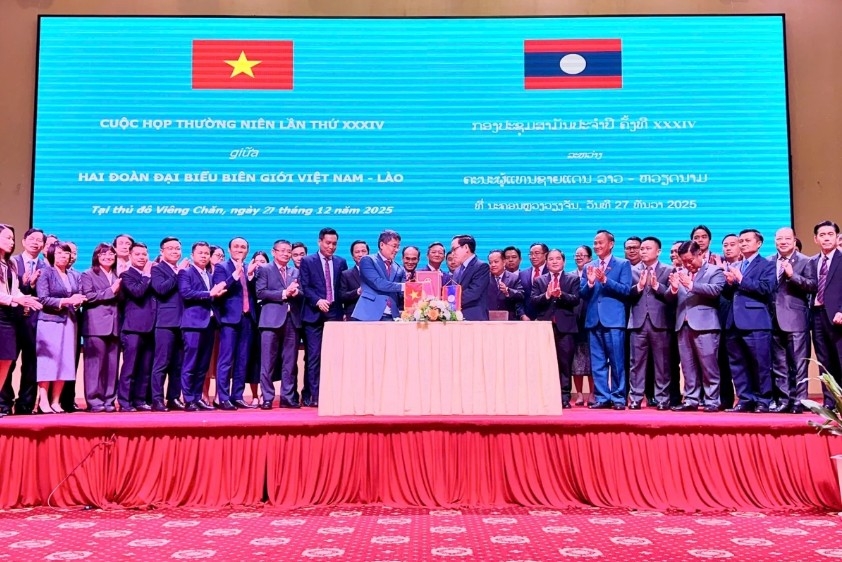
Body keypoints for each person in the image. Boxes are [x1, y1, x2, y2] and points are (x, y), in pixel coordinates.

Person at [666, 241, 726, 412]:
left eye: (690, 260)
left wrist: (691, 285)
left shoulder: (714, 271)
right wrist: (673, 289)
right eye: (684, 261)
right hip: (682, 325)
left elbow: (715, 290)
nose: (687, 264)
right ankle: (691, 399)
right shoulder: (680, 272)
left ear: (700, 254)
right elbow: (668, 298)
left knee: (709, 366)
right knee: (687, 366)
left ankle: (712, 400)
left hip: (705, 325)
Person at [722, 229, 776, 413]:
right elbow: (728, 294)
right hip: (733, 321)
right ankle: (745, 399)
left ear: (758, 243)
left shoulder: (767, 264)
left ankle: (763, 400)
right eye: (741, 241)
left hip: (756, 321)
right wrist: (729, 283)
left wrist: (741, 279)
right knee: (738, 364)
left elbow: (766, 288)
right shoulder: (736, 265)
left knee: (760, 363)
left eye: (747, 240)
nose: (743, 244)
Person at [580, 230, 632, 410]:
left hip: (614, 321)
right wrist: (590, 283)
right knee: (598, 363)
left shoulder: (623, 264)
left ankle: (618, 398)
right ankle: (602, 397)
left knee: (617, 361)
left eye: (600, 242)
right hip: (593, 320)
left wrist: (605, 280)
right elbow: (582, 294)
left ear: (611, 244)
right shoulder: (589, 266)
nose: (596, 246)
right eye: (595, 243)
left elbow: (626, 290)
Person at [298, 228, 348, 407]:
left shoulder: (341, 262)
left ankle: (332, 393)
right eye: (328, 243)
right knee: (314, 357)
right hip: (314, 315)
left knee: (334, 357)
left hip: (334, 314)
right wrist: (317, 300)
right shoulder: (307, 261)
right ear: (319, 242)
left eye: (334, 244)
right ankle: (313, 395)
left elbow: (342, 289)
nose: (331, 247)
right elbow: (305, 286)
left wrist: (343, 311)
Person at [768, 227, 815, 414]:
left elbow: (812, 285)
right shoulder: (768, 261)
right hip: (772, 319)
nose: (783, 242)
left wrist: (792, 276)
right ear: (775, 241)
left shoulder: (806, 261)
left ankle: (799, 401)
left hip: (796, 319)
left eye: (787, 238)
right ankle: (784, 400)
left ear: (794, 241)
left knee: (798, 363)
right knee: (779, 364)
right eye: (780, 239)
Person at [0, 227, 46, 416]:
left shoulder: (10, 264)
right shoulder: (12, 261)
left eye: (12, 238)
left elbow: (15, 290)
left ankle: (20, 404)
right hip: (4, 315)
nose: (11, 242)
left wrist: (26, 297)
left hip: (14, 318)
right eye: (7, 238)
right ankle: (3, 403)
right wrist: (16, 299)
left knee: (10, 360)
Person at [35, 241, 85, 414]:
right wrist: (66, 301)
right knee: (48, 361)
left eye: (66, 253)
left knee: (65, 360)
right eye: (59, 253)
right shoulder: (45, 273)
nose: (64, 256)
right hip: (49, 321)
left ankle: (56, 401)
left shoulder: (74, 275)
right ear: (51, 255)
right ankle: (43, 400)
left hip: (70, 320)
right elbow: (43, 298)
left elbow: (78, 295)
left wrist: (77, 302)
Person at [179, 242, 227, 412]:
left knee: (203, 365)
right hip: (192, 324)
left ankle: (198, 397)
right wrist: (209, 293)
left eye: (207, 253)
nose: (204, 256)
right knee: (190, 363)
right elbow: (186, 293)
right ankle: (188, 399)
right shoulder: (185, 272)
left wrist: (216, 294)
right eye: (200, 253)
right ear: (192, 255)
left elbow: (212, 295)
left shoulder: (209, 274)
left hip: (209, 324)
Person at [212, 237, 258, 410]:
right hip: (229, 319)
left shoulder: (248, 268)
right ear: (229, 249)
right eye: (236, 246)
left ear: (247, 251)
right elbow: (219, 290)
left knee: (242, 359)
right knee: (226, 360)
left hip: (247, 318)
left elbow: (254, 293)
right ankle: (222, 397)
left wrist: (251, 276)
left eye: (243, 247)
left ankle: (237, 396)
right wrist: (234, 275)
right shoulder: (222, 267)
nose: (239, 249)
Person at [626, 237, 673, 409]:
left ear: (658, 251)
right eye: (642, 249)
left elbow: (672, 296)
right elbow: (625, 294)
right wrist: (638, 287)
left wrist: (657, 286)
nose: (643, 251)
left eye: (647, 248)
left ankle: (662, 399)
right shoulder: (631, 270)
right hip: (637, 323)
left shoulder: (669, 270)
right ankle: (636, 398)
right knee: (636, 364)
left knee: (662, 364)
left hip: (661, 323)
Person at [255, 240, 302, 409]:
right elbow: (260, 292)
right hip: (270, 321)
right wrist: (283, 293)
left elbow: (303, 291)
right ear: (273, 252)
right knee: (267, 362)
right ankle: (267, 397)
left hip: (292, 320)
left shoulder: (295, 271)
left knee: (290, 362)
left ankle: (287, 397)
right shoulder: (264, 269)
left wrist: (296, 293)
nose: (286, 254)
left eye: (288, 251)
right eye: (282, 250)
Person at [531, 249, 580, 408]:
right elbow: (534, 300)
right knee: (545, 363)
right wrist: (547, 295)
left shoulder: (573, 279)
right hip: (545, 327)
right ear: (546, 262)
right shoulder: (539, 281)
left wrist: (560, 295)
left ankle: (565, 397)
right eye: (551, 259)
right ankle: (546, 396)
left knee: (565, 364)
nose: (554, 261)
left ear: (564, 262)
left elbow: (576, 299)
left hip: (566, 328)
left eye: (558, 258)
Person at [81, 243, 122, 412]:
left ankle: (109, 400)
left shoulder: (118, 274)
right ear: (97, 257)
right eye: (103, 254)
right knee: (95, 365)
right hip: (95, 325)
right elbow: (88, 296)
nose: (108, 257)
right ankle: (94, 401)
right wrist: (111, 290)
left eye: (111, 254)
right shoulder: (88, 274)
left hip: (115, 325)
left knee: (112, 365)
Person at [149, 237, 187, 412]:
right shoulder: (157, 269)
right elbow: (161, 289)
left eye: (177, 248)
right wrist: (178, 273)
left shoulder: (184, 270)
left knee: (178, 363)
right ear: (162, 251)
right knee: (161, 363)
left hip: (183, 321)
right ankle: (157, 399)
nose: (174, 251)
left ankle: (173, 397)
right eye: (170, 248)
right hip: (165, 322)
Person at [117, 242, 156, 412]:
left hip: (151, 327)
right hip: (132, 328)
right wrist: (146, 275)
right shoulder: (126, 275)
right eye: (138, 254)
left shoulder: (153, 275)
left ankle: (140, 400)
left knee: (145, 367)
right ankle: (125, 402)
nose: (142, 257)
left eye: (144, 254)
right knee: (130, 367)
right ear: (130, 256)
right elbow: (137, 292)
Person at [810, 220, 842, 410]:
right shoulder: (813, 261)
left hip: (838, 316)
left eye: (830, 234)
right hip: (817, 315)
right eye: (822, 235)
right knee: (824, 360)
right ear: (816, 239)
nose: (826, 238)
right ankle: (830, 402)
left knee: (840, 358)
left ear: (837, 237)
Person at [352, 230, 406, 321]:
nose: (397, 250)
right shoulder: (367, 260)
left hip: (392, 316)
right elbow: (378, 283)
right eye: (394, 246)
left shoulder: (399, 268)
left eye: (398, 247)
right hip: (368, 314)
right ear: (382, 245)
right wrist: (404, 286)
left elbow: (402, 294)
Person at [202, 245, 226, 407]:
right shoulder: (204, 274)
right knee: (205, 360)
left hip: (221, 321)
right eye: (218, 255)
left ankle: (219, 395)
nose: (221, 259)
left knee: (220, 360)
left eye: (223, 256)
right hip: (204, 321)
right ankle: (204, 394)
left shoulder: (225, 273)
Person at [246, 250, 269, 405]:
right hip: (252, 323)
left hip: (269, 321)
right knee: (253, 360)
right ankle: (254, 395)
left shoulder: (272, 277)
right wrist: (249, 275)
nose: (259, 264)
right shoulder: (249, 278)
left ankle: (265, 394)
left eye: (263, 261)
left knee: (267, 360)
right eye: (256, 261)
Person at [572, 245, 593, 406]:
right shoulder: (570, 275)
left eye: (582, 255)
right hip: (574, 322)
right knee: (576, 360)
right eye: (576, 255)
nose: (579, 257)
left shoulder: (594, 273)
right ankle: (579, 394)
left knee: (593, 359)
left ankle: (592, 393)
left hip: (591, 320)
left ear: (590, 258)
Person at [450, 234, 490, 321]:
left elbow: (473, 293)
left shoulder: (481, 267)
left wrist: (450, 301)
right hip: (456, 318)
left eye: (454, 249)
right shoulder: (457, 270)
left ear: (466, 248)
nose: (452, 253)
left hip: (475, 318)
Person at [486, 249, 524, 320]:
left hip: (509, 319)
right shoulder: (484, 278)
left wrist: (507, 291)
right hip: (488, 319)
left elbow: (521, 295)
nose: (493, 265)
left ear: (504, 262)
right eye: (490, 262)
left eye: (496, 262)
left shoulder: (514, 278)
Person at [518, 243, 549, 320]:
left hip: (547, 318)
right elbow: (519, 298)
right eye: (531, 254)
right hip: (527, 319)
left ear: (546, 255)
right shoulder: (522, 274)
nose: (533, 257)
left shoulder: (552, 273)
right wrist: (522, 315)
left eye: (537, 253)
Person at [340, 240, 368, 319]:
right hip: (354, 316)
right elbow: (342, 296)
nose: (360, 254)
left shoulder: (377, 273)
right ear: (352, 256)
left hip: (375, 316)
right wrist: (357, 292)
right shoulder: (346, 274)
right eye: (357, 252)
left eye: (363, 251)